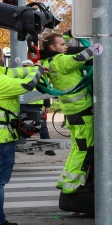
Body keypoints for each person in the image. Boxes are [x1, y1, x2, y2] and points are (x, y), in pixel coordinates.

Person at [41, 33, 95, 194]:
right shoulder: (60, 60)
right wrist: (100, 45)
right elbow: (79, 58)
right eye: (63, 44)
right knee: (84, 150)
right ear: (53, 47)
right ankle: (72, 187)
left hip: (72, 112)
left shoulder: (49, 62)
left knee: (77, 149)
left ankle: (65, 180)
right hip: (82, 111)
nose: (66, 47)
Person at [0, 48, 46, 225]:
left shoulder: (4, 75)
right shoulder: (2, 81)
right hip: (2, 140)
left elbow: (15, 72)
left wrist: (33, 66)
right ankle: (0, 222)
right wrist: (39, 70)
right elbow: (28, 85)